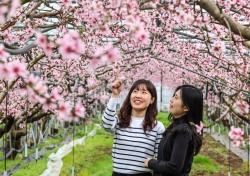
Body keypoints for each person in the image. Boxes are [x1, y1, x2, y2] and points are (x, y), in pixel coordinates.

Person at [102, 74, 165, 176]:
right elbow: (106, 124)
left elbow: (159, 159)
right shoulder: (120, 121)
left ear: (152, 100)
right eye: (135, 91)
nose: (138, 95)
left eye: (144, 92)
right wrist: (114, 96)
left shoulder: (157, 127)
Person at [144, 85, 203, 176]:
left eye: (176, 98)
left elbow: (174, 167)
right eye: (173, 96)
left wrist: (150, 163)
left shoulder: (184, 131)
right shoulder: (175, 127)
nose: (171, 100)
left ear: (186, 107)